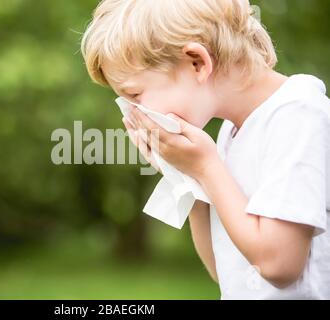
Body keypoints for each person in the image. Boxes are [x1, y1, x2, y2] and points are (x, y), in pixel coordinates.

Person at [80, 0, 330, 299]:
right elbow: (222, 270)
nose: (133, 112)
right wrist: (189, 176)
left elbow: (278, 265)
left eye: (135, 94)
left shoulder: (298, 114)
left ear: (197, 63)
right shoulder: (232, 131)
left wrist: (206, 168)